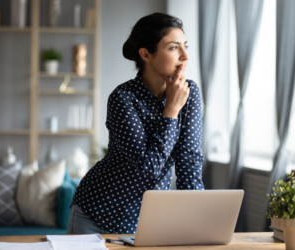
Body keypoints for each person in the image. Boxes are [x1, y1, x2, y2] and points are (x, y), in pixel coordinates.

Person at [66, 12, 205, 235]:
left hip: (148, 220)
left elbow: (189, 160)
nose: (185, 56)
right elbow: (148, 168)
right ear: (146, 54)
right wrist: (171, 111)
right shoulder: (123, 98)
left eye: (185, 46)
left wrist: (198, 221)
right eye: (173, 47)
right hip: (97, 214)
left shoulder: (190, 92)